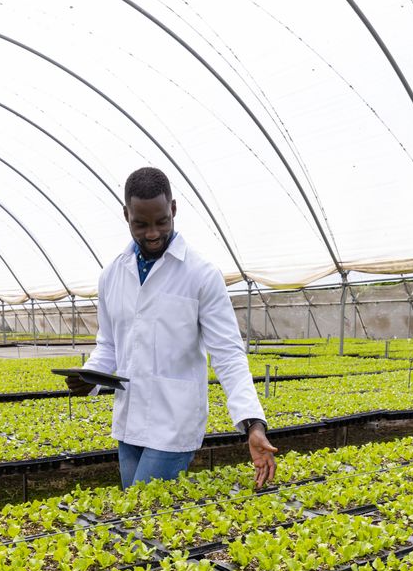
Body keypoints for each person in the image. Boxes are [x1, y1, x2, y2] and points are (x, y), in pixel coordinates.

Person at [67, 167, 277, 489]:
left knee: (140, 512)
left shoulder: (201, 275)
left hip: (174, 424)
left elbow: (228, 355)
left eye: (162, 221)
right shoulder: (112, 275)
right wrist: (90, 377)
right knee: (135, 515)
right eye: (141, 224)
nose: (152, 233)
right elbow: (109, 345)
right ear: (126, 216)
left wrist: (253, 423)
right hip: (129, 421)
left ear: (174, 210)